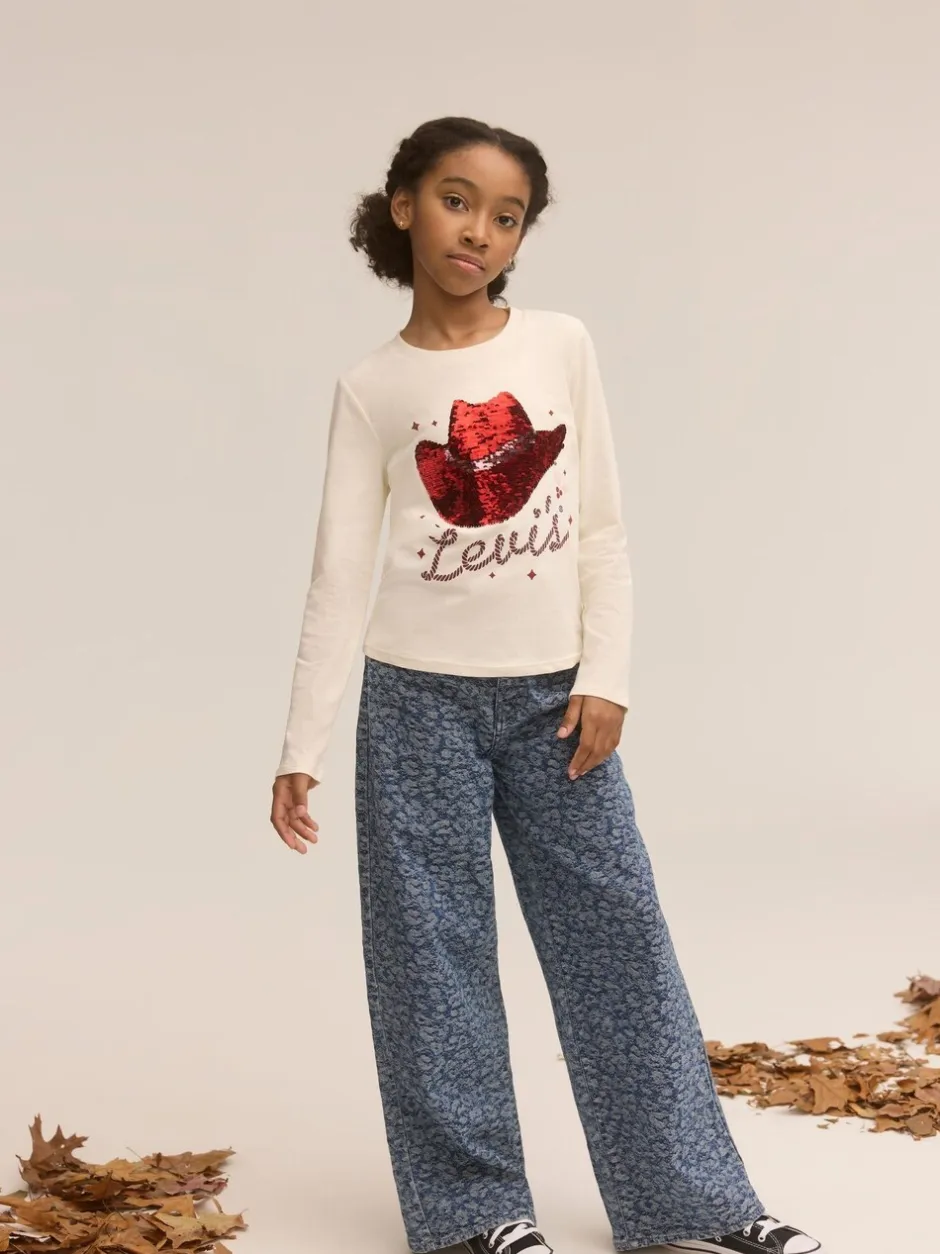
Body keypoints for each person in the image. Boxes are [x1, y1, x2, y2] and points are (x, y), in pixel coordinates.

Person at [269, 117, 823, 1254]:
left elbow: (603, 530)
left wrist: (606, 676)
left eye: (506, 215)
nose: (479, 229)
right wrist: (300, 747)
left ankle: (691, 1206)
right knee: (432, 965)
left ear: (521, 238)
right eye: (457, 200)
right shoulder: (371, 387)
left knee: (617, 938)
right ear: (403, 207)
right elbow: (337, 578)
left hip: (555, 702)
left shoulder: (559, 345)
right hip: (414, 706)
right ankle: (472, 1217)